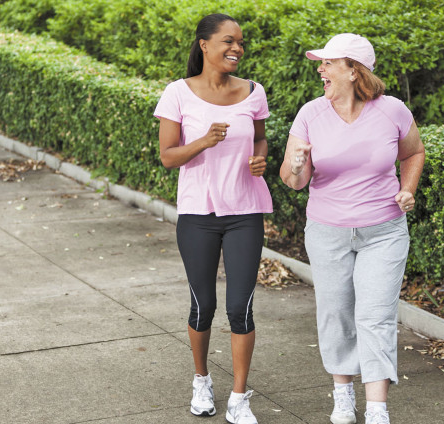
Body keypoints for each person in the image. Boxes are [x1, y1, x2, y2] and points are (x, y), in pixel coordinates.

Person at [279, 33, 425, 424]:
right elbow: (293, 181)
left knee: (375, 315)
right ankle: (343, 395)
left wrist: (407, 189)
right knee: (336, 313)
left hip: (384, 231)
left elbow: (413, 152)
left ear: (353, 70)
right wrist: (296, 165)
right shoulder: (311, 113)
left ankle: (377, 407)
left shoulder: (391, 110)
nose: (320, 68)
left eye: (328, 63)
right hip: (328, 231)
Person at [153, 13, 272, 424]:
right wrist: (203, 141)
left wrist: (261, 159)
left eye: (240, 42)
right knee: (203, 305)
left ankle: (240, 397)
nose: (237, 48)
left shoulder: (254, 92)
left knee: (241, 307)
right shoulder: (178, 94)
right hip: (198, 214)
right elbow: (168, 157)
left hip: (245, 212)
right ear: (204, 45)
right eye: (228, 41)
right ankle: (201, 380)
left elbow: (259, 136)